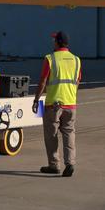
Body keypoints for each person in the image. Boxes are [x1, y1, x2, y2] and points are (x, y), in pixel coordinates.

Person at [35, 30, 81, 178]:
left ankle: (54, 165)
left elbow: (43, 81)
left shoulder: (50, 58)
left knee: (51, 135)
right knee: (69, 133)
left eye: (54, 40)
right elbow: (77, 81)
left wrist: (36, 100)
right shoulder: (76, 60)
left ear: (58, 42)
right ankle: (70, 163)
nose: (52, 42)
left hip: (53, 104)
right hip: (71, 104)